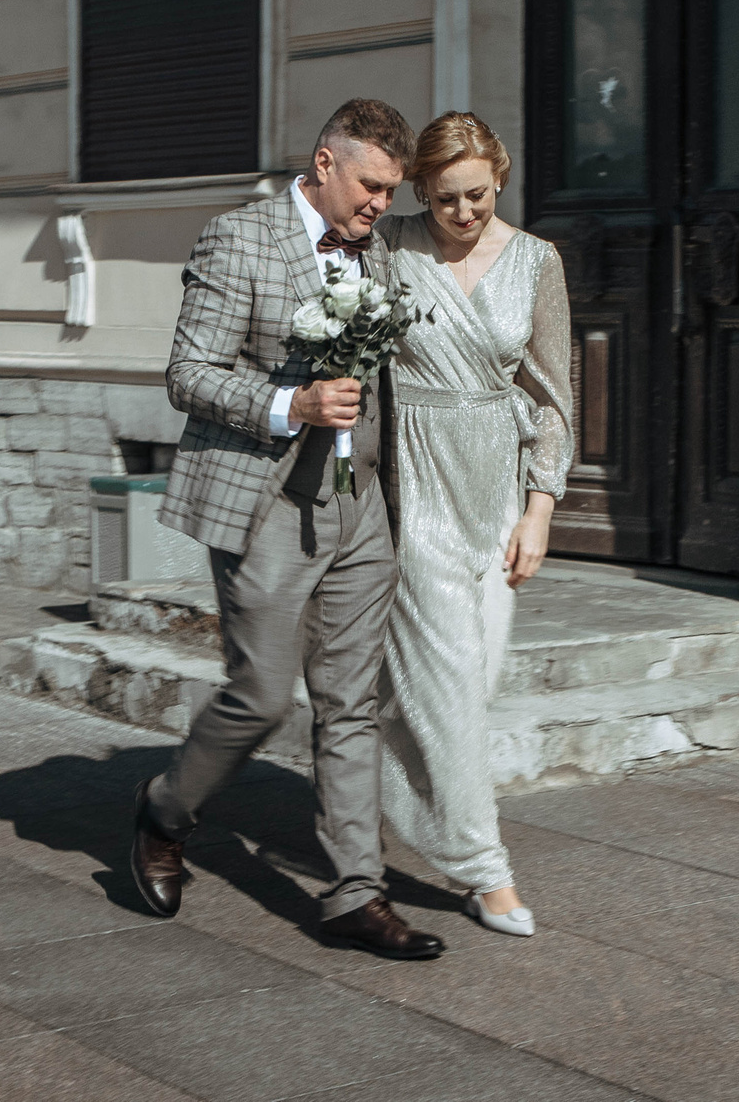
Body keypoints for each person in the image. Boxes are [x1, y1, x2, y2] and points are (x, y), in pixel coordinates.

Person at [128, 98, 447, 962]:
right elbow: (187, 373)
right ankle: (164, 809)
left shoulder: (378, 249)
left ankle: (356, 894)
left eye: (392, 190)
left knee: (351, 702)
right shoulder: (238, 238)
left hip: (361, 505)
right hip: (268, 501)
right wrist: (290, 403)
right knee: (263, 695)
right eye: (371, 185)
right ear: (324, 163)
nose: (381, 204)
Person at [375, 111, 575, 938]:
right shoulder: (389, 247)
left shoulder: (536, 260)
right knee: (451, 680)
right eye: (446, 198)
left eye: (478, 196)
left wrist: (539, 510)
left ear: (501, 179)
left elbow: (552, 396)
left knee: (467, 682)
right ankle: (485, 870)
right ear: (421, 191)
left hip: (494, 490)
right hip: (414, 482)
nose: (463, 213)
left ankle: (363, 777)